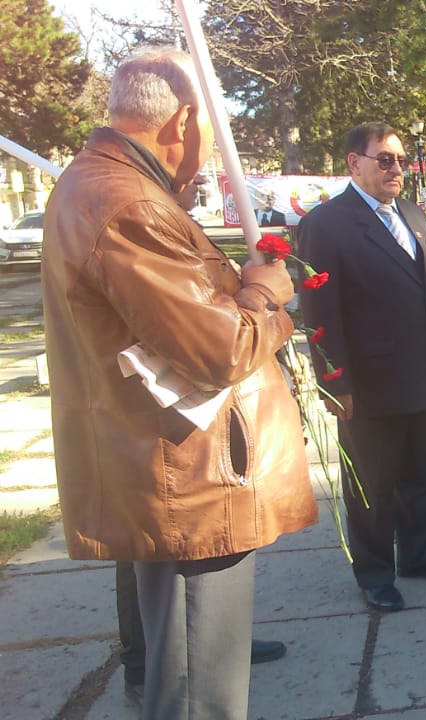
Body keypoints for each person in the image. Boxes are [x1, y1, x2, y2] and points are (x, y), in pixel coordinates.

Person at [41, 46, 317, 719]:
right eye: (212, 133)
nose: (212, 152)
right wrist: (267, 295)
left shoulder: (107, 186)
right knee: (199, 691)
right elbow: (221, 348)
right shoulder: (128, 204)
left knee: (191, 670)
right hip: (191, 481)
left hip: (176, 467)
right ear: (185, 122)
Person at [113, 171, 289, 706]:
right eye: (191, 174)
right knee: (185, 637)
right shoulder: (138, 216)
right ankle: (149, 663)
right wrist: (264, 296)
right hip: (176, 453)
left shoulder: (155, 215)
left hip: (188, 444)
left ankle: (205, 646)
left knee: (201, 632)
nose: (198, 180)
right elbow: (220, 349)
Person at [298, 122, 426, 613]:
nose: (397, 169)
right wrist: (334, 383)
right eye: (385, 159)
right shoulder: (326, 224)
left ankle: (419, 557)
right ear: (354, 162)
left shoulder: (411, 214)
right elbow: (320, 314)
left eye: (401, 161)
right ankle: (374, 574)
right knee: (372, 486)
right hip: (370, 386)